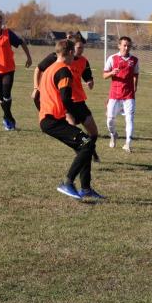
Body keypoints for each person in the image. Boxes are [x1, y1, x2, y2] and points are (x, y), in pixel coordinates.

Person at [39, 39, 104, 201]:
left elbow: (39, 96)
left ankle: (86, 189)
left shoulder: (49, 69)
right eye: (73, 53)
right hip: (54, 120)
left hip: (49, 119)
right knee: (87, 143)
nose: (74, 56)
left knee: (85, 147)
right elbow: (66, 98)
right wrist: (70, 114)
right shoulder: (64, 71)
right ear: (68, 52)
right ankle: (67, 182)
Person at [33, 34, 100, 161]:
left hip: (79, 101)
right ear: (71, 49)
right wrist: (36, 87)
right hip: (65, 102)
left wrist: (90, 81)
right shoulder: (56, 58)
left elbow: (87, 76)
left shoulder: (83, 60)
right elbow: (39, 69)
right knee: (74, 132)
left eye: (81, 48)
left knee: (94, 132)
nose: (79, 51)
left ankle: (90, 151)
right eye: (77, 48)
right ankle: (81, 154)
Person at [103, 36, 139, 152]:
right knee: (109, 120)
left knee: (129, 119)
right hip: (114, 95)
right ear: (119, 46)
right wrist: (112, 73)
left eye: (128, 45)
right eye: (124, 45)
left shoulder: (134, 60)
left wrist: (135, 87)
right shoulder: (112, 58)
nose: (126, 47)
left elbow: (135, 74)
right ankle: (113, 134)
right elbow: (104, 76)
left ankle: (128, 143)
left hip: (129, 96)